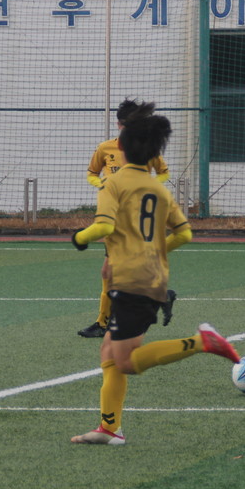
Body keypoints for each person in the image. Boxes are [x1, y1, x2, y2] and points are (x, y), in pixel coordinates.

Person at [68, 104, 239, 445]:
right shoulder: (159, 188)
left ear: (123, 145)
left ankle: (202, 342)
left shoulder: (113, 183)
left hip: (132, 280)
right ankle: (109, 429)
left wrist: (79, 238)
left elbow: (103, 225)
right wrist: (154, 251)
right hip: (151, 276)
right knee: (108, 353)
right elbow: (185, 233)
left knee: (126, 362)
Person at [78, 99, 173, 339]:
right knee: (112, 270)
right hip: (114, 216)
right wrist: (101, 183)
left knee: (113, 270)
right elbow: (91, 173)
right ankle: (113, 318)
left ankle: (108, 322)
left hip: (135, 217)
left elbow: (163, 173)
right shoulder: (105, 148)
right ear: (119, 124)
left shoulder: (146, 151)